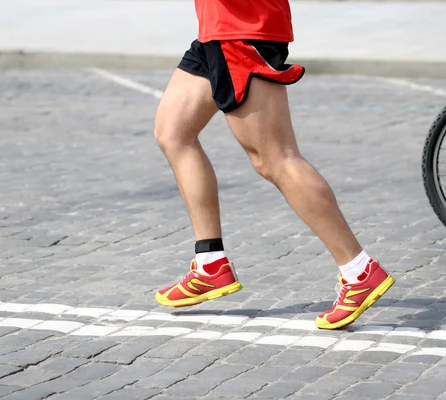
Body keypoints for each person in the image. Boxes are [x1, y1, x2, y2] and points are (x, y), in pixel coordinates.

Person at [153, 0, 395, 330]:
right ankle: (211, 264)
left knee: (275, 159)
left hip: (241, 31)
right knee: (173, 133)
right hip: (219, 29)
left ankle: (358, 270)